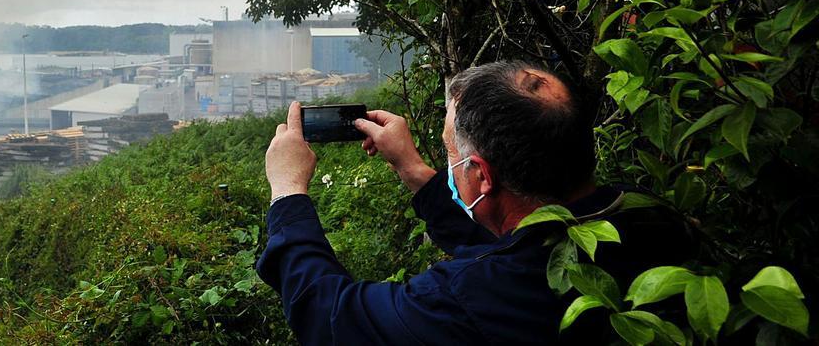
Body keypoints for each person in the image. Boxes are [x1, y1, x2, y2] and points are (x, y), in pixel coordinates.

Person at [256, 61, 695, 344]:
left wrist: (288, 191)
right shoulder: (651, 219)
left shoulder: (469, 301)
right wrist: (415, 171)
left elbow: (333, 317)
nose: (449, 162)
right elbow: (512, 247)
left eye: (451, 152)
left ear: (482, 175)